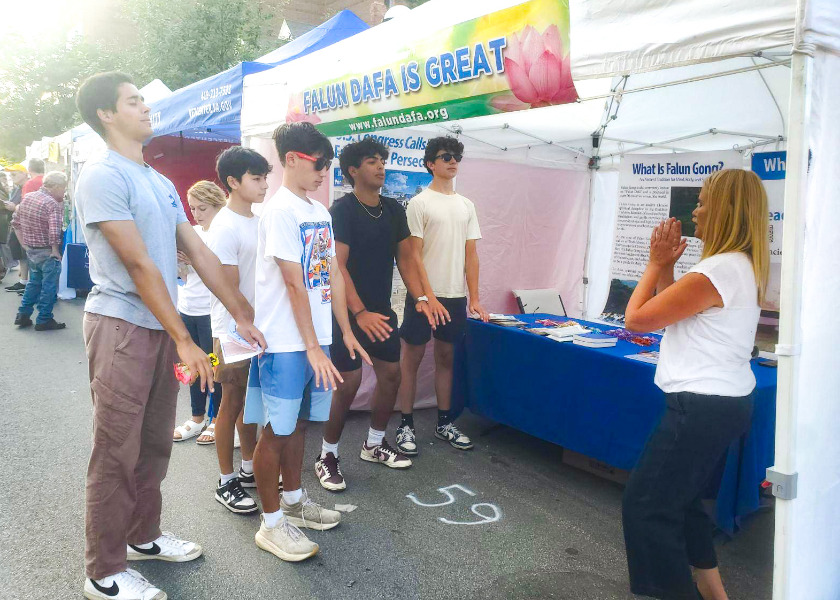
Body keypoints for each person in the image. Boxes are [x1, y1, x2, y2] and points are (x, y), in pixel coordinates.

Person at [74, 71, 266, 600]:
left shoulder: (157, 181)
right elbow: (138, 264)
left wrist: (240, 309)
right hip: (122, 326)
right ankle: (104, 569)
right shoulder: (101, 175)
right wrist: (184, 338)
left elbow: (197, 250)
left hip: (159, 328)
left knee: (155, 442)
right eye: (133, 101)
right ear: (107, 115)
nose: (145, 107)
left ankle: (144, 536)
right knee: (115, 448)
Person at [621, 169, 769, 600]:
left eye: (703, 202)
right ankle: (714, 593)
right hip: (722, 404)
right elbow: (677, 311)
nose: (696, 210)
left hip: (701, 407)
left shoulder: (719, 269)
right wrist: (667, 269)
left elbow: (637, 319)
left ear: (725, 209)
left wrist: (653, 264)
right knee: (683, 503)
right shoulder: (738, 265)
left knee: (646, 509)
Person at [245, 121, 370, 561]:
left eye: (328, 166)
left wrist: (345, 332)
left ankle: (295, 503)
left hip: (315, 339)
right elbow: (294, 284)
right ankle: (271, 524)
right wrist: (314, 346)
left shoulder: (318, 211)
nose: (324, 174)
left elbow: (331, 274)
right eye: (319, 164)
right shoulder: (280, 212)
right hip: (285, 342)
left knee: (298, 425)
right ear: (292, 159)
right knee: (275, 431)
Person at [315, 138, 436, 492]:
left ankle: (373, 443)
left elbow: (407, 259)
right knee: (349, 384)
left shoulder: (394, 210)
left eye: (382, 160)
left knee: (391, 376)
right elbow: (338, 267)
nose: (381, 166)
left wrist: (422, 297)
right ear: (353, 171)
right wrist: (360, 312)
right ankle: (327, 454)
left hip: (381, 313)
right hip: (347, 313)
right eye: (372, 161)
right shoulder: (342, 211)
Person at [395, 136, 488, 456]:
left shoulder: (466, 205)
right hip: (422, 297)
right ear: (430, 164)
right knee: (412, 360)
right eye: (445, 156)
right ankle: (405, 423)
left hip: (453, 297)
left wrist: (474, 298)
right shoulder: (419, 203)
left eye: (457, 156)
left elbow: (471, 254)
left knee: (446, 359)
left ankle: (444, 423)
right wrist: (427, 296)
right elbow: (413, 256)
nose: (452, 161)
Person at [208, 146, 271, 515]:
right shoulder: (225, 225)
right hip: (231, 329)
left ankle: (249, 468)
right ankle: (225, 480)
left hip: (258, 328)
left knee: (251, 403)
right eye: (257, 178)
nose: (264, 185)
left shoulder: (259, 220)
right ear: (233, 182)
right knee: (230, 403)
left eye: (265, 177)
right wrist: (247, 326)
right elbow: (230, 290)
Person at [172, 181, 225, 444]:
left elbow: (223, 271)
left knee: (213, 366)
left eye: (202, 208)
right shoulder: (190, 232)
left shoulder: (222, 232)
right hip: (187, 305)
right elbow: (181, 275)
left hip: (211, 310)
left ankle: (217, 419)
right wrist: (179, 262)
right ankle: (196, 417)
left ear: (217, 205)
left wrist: (194, 261)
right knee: (189, 365)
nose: (196, 214)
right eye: (192, 208)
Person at [12, 171, 68, 330]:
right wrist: (55, 250)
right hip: (47, 251)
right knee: (49, 287)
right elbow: (54, 231)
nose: (64, 192)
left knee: (33, 283)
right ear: (56, 186)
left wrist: (24, 244)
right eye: (63, 188)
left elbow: (15, 223)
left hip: (32, 251)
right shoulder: (52, 204)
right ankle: (44, 318)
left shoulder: (28, 198)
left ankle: (23, 314)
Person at [4, 164, 30, 292]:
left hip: (25, 226)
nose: (11, 176)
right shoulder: (16, 189)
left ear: (24, 174)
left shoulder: (28, 187)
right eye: (10, 174)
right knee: (20, 254)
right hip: (16, 225)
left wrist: (14, 207)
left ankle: (28, 283)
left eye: (14, 174)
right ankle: (24, 281)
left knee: (27, 253)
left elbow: (26, 207)